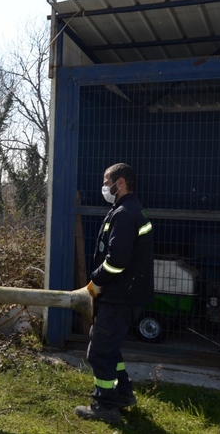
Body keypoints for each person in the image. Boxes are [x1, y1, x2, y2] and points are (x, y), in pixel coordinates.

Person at [75, 163, 154, 423]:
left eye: (106, 181)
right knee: (110, 347)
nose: (104, 187)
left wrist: (95, 282)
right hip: (127, 295)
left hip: (120, 296)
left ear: (120, 183)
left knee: (98, 351)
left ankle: (105, 405)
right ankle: (123, 393)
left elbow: (117, 261)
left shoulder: (124, 214)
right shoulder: (131, 209)